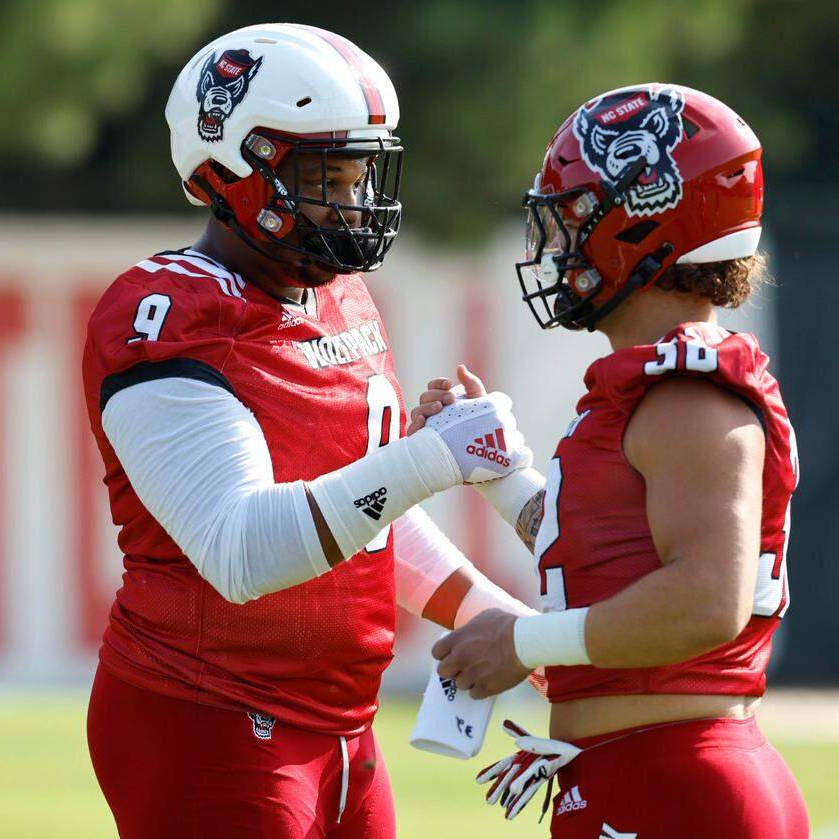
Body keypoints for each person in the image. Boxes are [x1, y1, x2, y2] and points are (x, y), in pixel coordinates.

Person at [81, 23, 541, 838]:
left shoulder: (337, 297)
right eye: (328, 173)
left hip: (340, 724)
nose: (356, 201)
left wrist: (502, 621)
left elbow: (370, 529)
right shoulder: (168, 317)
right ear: (236, 167)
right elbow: (243, 551)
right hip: (212, 711)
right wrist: (430, 457)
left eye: (361, 172)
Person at [414, 84, 809, 837]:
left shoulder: (688, 394)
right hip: (643, 771)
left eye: (573, 219)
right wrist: (496, 468)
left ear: (647, 219)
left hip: (673, 781)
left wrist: (521, 641)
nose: (558, 249)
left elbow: (703, 599)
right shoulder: (655, 384)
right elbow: (609, 557)